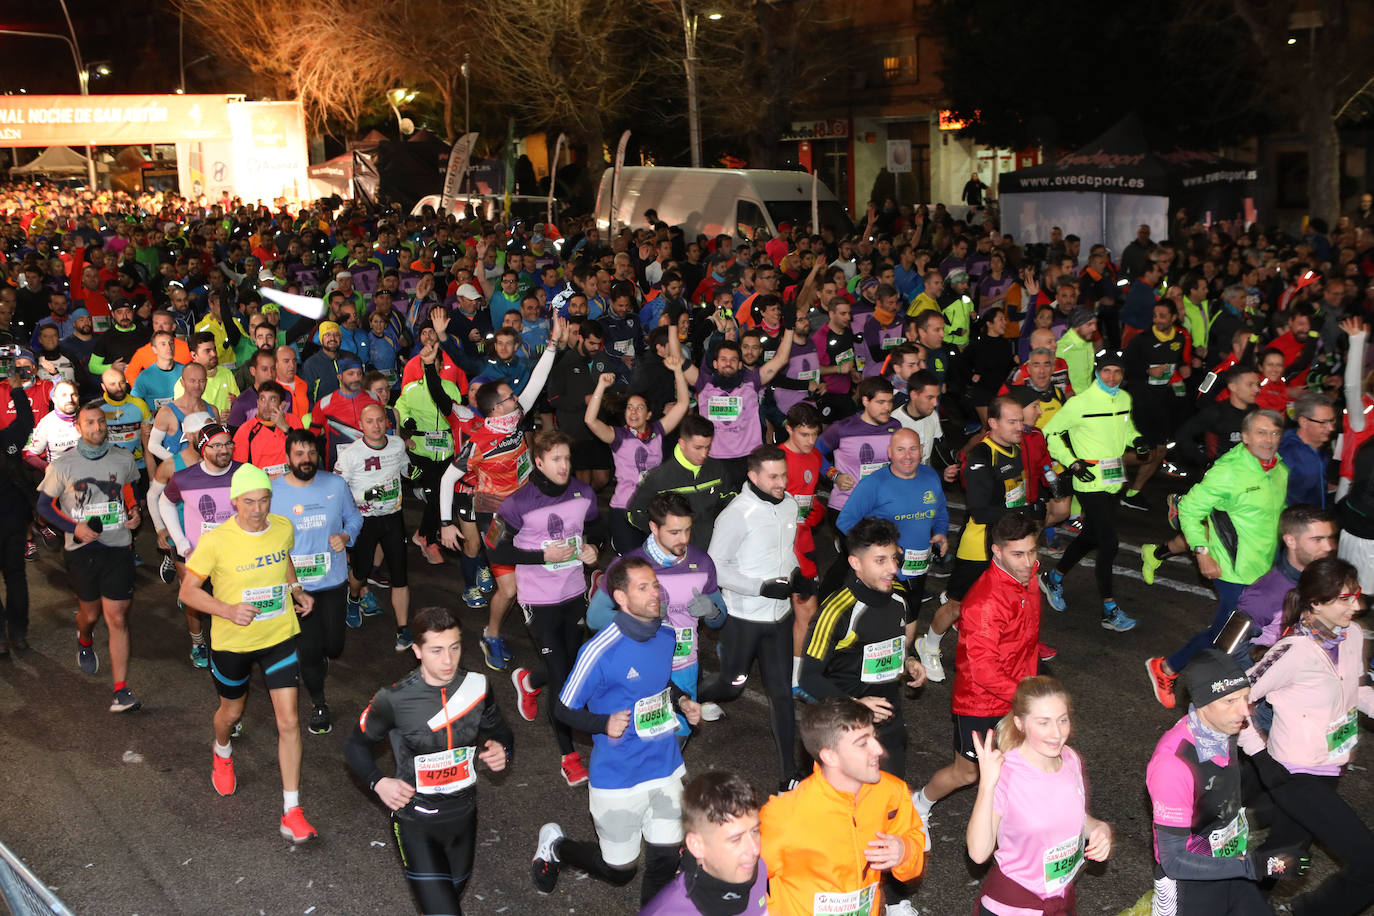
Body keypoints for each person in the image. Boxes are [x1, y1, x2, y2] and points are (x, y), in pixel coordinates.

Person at [531, 556, 701, 906]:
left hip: (664, 765)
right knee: (620, 870)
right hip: (618, 775)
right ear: (621, 599)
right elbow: (563, 707)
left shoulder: (666, 634)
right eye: (644, 588)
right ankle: (557, 848)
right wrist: (602, 723)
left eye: (654, 584)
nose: (655, 593)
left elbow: (661, 681)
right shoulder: (598, 651)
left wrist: (682, 700)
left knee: (665, 860)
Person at [179, 464, 318, 843]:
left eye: (263, 500)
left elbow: (283, 559)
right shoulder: (217, 541)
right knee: (231, 712)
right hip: (232, 642)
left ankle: (292, 811)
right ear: (235, 501)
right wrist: (227, 610)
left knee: (288, 722)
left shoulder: (283, 527)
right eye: (249, 502)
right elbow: (188, 592)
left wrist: (297, 590)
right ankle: (222, 749)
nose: (257, 509)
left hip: (279, 635)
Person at [346, 605, 514, 916]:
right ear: (417, 651)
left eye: (454, 648)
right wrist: (378, 782)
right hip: (416, 822)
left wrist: (502, 751)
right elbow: (355, 746)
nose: (448, 660)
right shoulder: (392, 699)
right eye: (436, 651)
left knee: (442, 905)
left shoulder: (477, 687)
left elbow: (502, 733)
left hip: (464, 817)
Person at [1240, 557, 1374, 916]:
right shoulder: (1293, 651)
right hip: (1295, 773)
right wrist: (1260, 755)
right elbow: (1233, 696)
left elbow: (1354, 690)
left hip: (1331, 766)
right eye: (1344, 599)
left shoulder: (1353, 635)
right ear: (1316, 603)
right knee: (1367, 864)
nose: (1356, 605)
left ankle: (1234, 902)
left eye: (1356, 596)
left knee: (1283, 852)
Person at [437, 317, 565, 671]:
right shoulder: (478, 441)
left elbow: (537, 381)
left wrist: (552, 343)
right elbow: (448, 480)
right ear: (496, 409)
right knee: (507, 590)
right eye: (510, 397)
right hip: (493, 516)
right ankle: (491, 634)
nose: (518, 398)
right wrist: (447, 524)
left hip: (526, 509)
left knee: (539, 573)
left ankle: (549, 624)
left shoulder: (515, 417)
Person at [1144, 410, 1288, 708]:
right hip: (1232, 570)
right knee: (1227, 635)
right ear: (1245, 437)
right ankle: (1168, 668)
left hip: (1263, 568)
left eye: (1274, 433)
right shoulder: (1229, 470)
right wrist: (1202, 552)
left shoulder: (1278, 469)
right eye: (1261, 433)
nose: (1269, 440)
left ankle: (1231, 682)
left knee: (1245, 633)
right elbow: (1190, 509)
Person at [912, 512, 1042, 842]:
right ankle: (919, 805)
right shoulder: (985, 602)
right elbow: (984, 672)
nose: (1028, 562)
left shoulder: (1028, 574)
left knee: (1021, 763)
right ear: (996, 552)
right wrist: (1029, 698)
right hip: (981, 702)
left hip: (1018, 691)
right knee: (967, 773)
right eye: (1018, 554)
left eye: (1032, 551)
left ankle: (1019, 831)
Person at [494, 431, 602, 786]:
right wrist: (541, 556)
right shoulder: (517, 503)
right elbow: (494, 551)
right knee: (563, 678)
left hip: (573, 593)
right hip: (538, 599)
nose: (564, 466)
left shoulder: (583, 493)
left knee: (569, 665)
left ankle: (528, 679)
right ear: (538, 462)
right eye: (556, 459)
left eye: (567, 459)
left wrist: (591, 550)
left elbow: (595, 528)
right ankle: (568, 755)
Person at [1147, 649, 1290, 915]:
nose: (1243, 711)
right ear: (1201, 703)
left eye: (1245, 698)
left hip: (1229, 865)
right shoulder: (1173, 765)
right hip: (1190, 886)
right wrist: (1253, 866)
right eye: (1230, 701)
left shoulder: (1223, 727)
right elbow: (1174, 861)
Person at [759, 697, 926, 916]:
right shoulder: (784, 816)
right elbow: (740, 879)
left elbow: (913, 845)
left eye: (874, 737)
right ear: (830, 756)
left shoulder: (892, 792)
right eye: (862, 743)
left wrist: (904, 850)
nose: (877, 749)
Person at [966, 677, 1114, 916]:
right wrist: (987, 785)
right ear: (1020, 723)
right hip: (1013, 907)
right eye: (1044, 723)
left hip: (1061, 901)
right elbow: (978, 852)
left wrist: (1099, 829)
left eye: (1062, 720)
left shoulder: (1070, 759)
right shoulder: (1005, 773)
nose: (1057, 733)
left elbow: (1075, 819)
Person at [699, 445, 801, 789]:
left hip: (780, 618)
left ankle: (790, 774)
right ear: (753, 476)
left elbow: (785, 553)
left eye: (784, 474)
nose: (781, 482)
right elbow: (714, 568)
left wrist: (798, 575)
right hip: (743, 618)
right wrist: (759, 588)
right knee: (732, 685)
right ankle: (691, 697)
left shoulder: (788, 504)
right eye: (773, 476)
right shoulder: (736, 514)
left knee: (782, 693)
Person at [585, 493, 727, 732]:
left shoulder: (702, 562)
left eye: (687, 530)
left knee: (678, 741)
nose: (683, 539)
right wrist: (640, 618)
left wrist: (712, 611)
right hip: (640, 669)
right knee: (642, 745)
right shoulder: (629, 566)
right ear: (654, 527)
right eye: (674, 532)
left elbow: (719, 619)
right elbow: (595, 618)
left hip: (685, 668)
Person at [799, 517, 928, 779]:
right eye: (880, 560)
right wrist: (857, 705)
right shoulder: (836, 611)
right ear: (855, 563)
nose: (893, 568)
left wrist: (909, 660)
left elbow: (894, 643)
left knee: (888, 801)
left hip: (889, 720)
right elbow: (808, 677)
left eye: (894, 558)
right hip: (846, 727)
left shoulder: (899, 596)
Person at [36, 398, 142, 712]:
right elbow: (43, 508)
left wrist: (134, 513)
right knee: (91, 615)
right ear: (79, 427)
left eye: (101, 422)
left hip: (117, 546)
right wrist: (74, 527)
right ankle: (84, 637)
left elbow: (128, 491)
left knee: (117, 617)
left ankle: (121, 691)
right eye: (90, 423)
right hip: (82, 551)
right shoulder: (63, 465)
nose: (98, 427)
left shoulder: (122, 459)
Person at [919, 395, 1033, 679]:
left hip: (1006, 540)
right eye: (1012, 421)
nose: (1020, 426)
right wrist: (1026, 509)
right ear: (992, 423)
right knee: (957, 605)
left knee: (1004, 600)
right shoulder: (982, 456)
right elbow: (981, 511)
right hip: (979, 545)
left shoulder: (1014, 447)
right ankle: (928, 645)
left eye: (1021, 420)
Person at [1039, 349, 1144, 632]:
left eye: (1117, 372)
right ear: (1097, 372)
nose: (1112, 376)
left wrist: (1138, 439)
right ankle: (1109, 609)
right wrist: (1072, 463)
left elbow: (1126, 428)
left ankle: (1054, 578)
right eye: (1106, 370)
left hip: (1114, 479)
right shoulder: (1080, 403)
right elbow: (1049, 433)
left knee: (1091, 536)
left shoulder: (1123, 398)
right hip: (1087, 481)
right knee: (1109, 543)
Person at [272, 429, 362, 736]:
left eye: (311, 453)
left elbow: (355, 518)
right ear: (288, 458)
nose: (306, 459)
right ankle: (319, 703)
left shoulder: (335, 484)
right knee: (309, 650)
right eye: (299, 454)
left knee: (334, 647)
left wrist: (345, 536)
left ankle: (318, 660)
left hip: (334, 582)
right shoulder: (274, 492)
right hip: (297, 588)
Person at [835, 429, 948, 627]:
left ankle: (906, 654)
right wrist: (879, 550)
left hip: (918, 569)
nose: (907, 456)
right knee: (884, 627)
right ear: (890, 453)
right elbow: (845, 521)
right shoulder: (874, 483)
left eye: (913, 449)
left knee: (911, 620)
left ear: (921, 450)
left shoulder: (930, 476)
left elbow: (940, 511)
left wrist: (941, 532)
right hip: (885, 574)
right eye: (901, 449)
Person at [584, 355, 691, 555]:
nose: (633, 412)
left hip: (654, 510)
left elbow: (683, 404)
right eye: (630, 408)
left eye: (639, 408)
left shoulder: (658, 431)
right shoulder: (618, 436)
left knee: (654, 561)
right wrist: (600, 386)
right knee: (631, 564)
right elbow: (590, 421)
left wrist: (678, 370)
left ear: (649, 414)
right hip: (624, 509)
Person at [335, 401, 413, 650]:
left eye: (380, 420)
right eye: (370, 421)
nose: (376, 426)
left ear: (386, 422)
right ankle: (354, 597)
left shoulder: (398, 444)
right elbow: (337, 489)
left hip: (393, 517)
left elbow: (405, 470)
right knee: (360, 572)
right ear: (361, 426)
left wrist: (421, 478)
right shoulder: (351, 455)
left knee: (400, 575)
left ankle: (403, 628)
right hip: (363, 522)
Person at [638, 770, 768, 916]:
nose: (755, 849)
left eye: (755, 831)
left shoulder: (757, 868)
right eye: (736, 839)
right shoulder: (668, 912)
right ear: (696, 845)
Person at [626, 412, 734, 553]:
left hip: (714, 550)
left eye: (708, 447)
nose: (704, 454)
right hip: (675, 556)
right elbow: (634, 512)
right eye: (698, 447)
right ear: (682, 443)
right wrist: (663, 534)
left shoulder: (717, 469)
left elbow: (730, 499)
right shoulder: (660, 477)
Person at [815, 376, 901, 519]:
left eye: (890, 402)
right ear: (865, 401)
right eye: (880, 402)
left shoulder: (895, 426)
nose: (887, 408)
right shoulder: (843, 428)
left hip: (883, 508)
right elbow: (815, 452)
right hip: (847, 507)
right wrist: (835, 476)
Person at [0, 379, 34, 655]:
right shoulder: (7, 439)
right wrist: (16, 388)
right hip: (13, 519)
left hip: (11, 519)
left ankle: (1, 638)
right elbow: (26, 420)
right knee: (15, 576)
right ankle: (18, 634)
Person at [1277, 391, 1335, 508]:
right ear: (1304, 422)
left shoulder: (1321, 446)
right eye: (1323, 422)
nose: (1331, 428)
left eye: (1332, 421)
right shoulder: (1285, 453)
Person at [232, 380, 300, 476]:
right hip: (261, 485)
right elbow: (238, 470)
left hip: (293, 482)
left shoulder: (294, 421)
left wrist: (286, 428)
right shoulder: (245, 430)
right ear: (257, 403)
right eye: (262, 399)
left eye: (272, 400)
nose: (266, 406)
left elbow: (305, 453)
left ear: (282, 405)